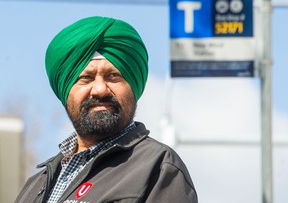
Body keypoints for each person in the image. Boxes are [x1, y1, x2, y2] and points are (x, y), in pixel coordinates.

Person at [15, 16, 198, 203]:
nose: (100, 89)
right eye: (86, 78)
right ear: (65, 91)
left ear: (133, 87)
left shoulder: (158, 167)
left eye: (113, 76)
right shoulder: (35, 186)